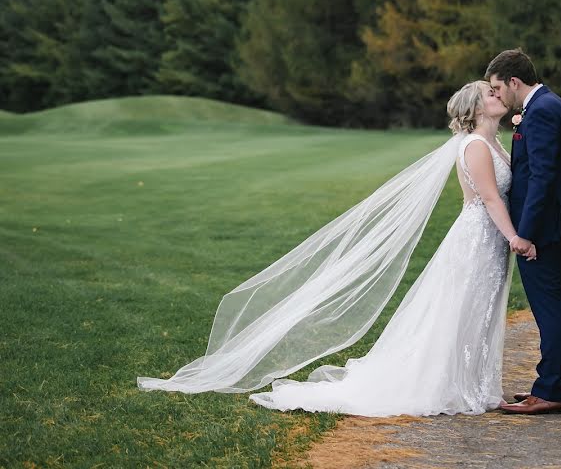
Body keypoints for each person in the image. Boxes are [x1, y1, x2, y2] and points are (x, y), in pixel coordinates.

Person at [138, 80, 534, 417]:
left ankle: (475, 384)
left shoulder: (491, 142)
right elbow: (491, 200)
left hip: (486, 238)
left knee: (477, 308)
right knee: (461, 308)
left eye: (496, 90)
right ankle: (450, 384)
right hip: (478, 237)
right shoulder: (476, 148)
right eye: (488, 93)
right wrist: (515, 237)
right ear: (475, 107)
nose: (497, 94)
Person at [485, 49, 561, 415]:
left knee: (550, 308)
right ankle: (556, 382)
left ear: (514, 81)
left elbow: (541, 177)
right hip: (555, 222)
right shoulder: (548, 105)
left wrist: (524, 234)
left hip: (544, 228)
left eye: (498, 88)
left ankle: (549, 390)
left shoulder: (541, 111)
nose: (496, 96)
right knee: (556, 304)